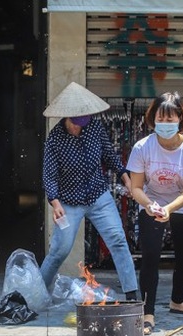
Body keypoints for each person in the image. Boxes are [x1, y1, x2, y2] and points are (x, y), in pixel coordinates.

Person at [40, 82, 139, 301]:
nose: (80, 127)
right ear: (66, 118)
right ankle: (33, 296)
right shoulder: (54, 140)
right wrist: (55, 204)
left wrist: (126, 177)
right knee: (59, 251)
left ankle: (132, 295)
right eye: (76, 123)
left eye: (83, 122)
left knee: (117, 240)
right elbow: (49, 175)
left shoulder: (94, 127)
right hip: (68, 201)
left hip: (97, 194)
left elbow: (109, 155)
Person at [127, 91, 183, 335]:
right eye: (161, 119)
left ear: (181, 120)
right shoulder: (142, 147)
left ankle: (177, 302)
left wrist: (169, 209)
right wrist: (150, 205)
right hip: (150, 202)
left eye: (171, 120)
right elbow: (136, 187)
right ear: (152, 119)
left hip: (182, 206)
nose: (166, 124)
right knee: (150, 257)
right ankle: (147, 313)